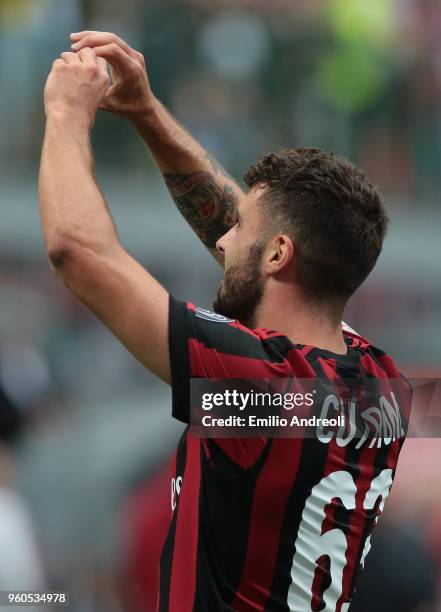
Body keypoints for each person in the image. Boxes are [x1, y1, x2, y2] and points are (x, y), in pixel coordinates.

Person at [39, 32, 411, 612]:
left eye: (242, 227)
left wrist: (65, 112)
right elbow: (259, 266)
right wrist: (146, 113)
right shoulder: (383, 386)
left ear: (279, 255)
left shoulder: (253, 383)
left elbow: (76, 252)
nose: (223, 237)